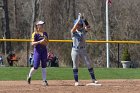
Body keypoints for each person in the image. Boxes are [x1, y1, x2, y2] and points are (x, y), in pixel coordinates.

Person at [71, 13, 100, 86]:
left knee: (88, 63)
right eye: (78, 24)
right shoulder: (73, 31)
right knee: (75, 65)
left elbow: (89, 27)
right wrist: (78, 18)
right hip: (75, 50)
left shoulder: (83, 30)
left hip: (83, 50)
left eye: (80, 24)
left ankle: (93, 79)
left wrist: (84, 19)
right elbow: (73, 28)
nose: (79, 25)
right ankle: (76, 81)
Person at [27, 20, 49, 86]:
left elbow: (47, 43)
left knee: (44, 65)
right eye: (41, 24)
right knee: (36, 66)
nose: (42, 26)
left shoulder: (45, 33)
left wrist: (45, 41)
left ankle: (44, 80)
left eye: (42, 24)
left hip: (44, 51)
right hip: (37, 51)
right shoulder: (35, 33)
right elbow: (32, 43)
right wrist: (40, 41)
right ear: (37, 26)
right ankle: (29, 75)